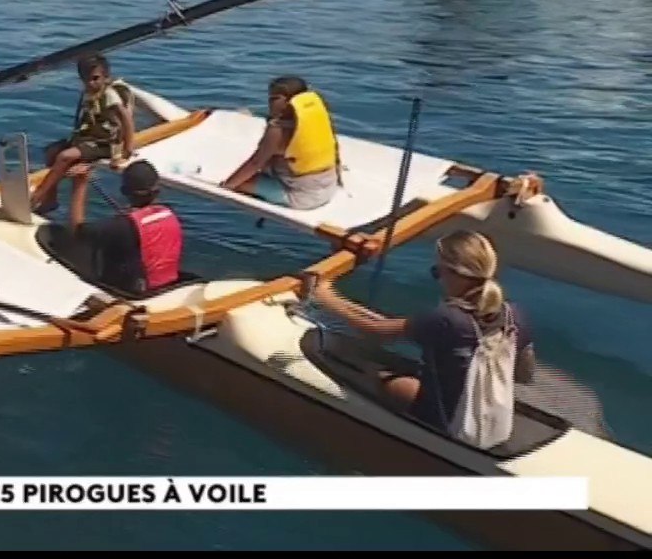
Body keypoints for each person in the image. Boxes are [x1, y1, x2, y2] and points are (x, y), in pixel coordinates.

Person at [309, 229, 536, 449]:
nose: (438, 279)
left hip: (452, 429)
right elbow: (524, 374)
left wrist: (326, 299)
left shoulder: (446, 318)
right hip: (500, 427)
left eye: (437, 272)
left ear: (454, 273)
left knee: (376, 375)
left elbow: (376, 330)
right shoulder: (514, 314)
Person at [30, 53, 136, 214]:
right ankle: (50, 200)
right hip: (91, 138)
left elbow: (126, 118)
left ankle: (37, 196)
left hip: (105, 143)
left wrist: (128, 149)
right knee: (51, 152)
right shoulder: (90, 92)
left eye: (95, 78)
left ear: (106, 76)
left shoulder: (109, 95)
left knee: (65, 156)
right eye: (85, 79)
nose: (90, 83)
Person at [61, 159, 183, 296]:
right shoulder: (171, 215)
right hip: (166, 288)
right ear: (158, 190)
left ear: (124, 191)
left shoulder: (121, 226)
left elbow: (76, 231)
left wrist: (80, 184)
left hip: (129, 294)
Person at [218, 75, 341, 211]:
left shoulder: (278, 130)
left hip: (303, 198)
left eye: (274, 98)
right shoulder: (314, 118)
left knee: (242, 183)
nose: (269, 103)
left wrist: (226, 186)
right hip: (329, 186)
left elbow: (255, 163)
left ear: (291, 101)